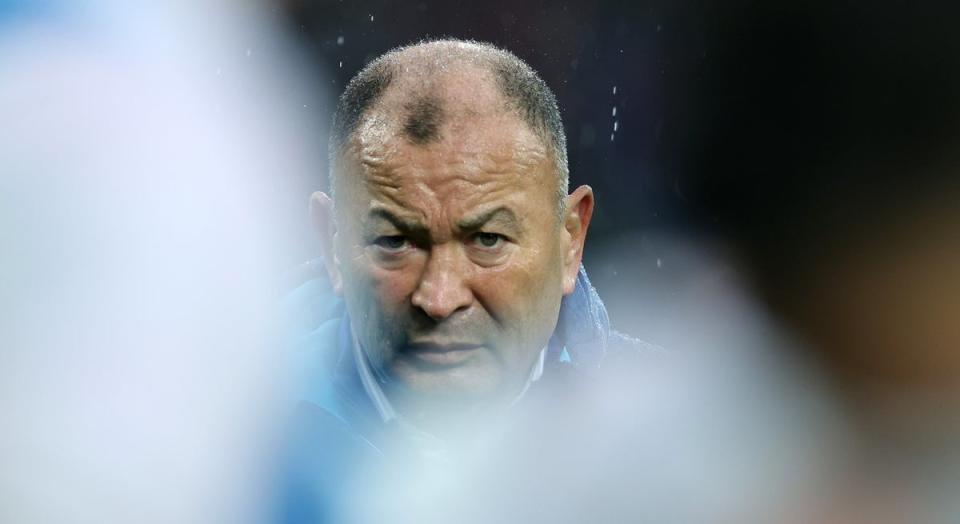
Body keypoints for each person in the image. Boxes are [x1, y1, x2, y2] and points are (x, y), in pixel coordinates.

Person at [276, 39, 658, 522]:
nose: (439, 298)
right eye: (394, 242)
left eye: (488, 239)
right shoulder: (223, 437)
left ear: (570, 239)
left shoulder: (694, 446)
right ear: (331, 243)